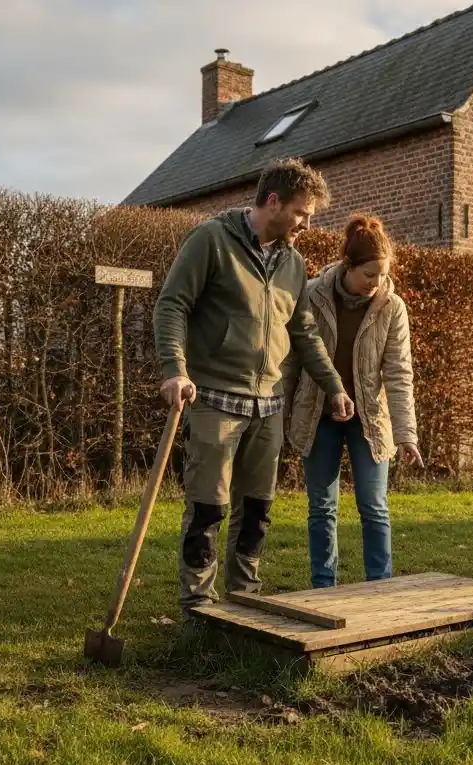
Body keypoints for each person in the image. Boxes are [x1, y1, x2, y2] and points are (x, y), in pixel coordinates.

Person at [153, 157, 354, 618]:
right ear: (272, 201)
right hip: (215, 401)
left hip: (268, 406)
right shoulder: (211, 241)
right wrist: (175, 369)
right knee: (208, 509)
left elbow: (304, 332)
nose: (307, 222)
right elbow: (172, 305)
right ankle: (199, 609)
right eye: (302, 212)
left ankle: (245, 600)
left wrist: (334, 386)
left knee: (257, 510)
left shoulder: (293, 263)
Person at [284, 213, 421, 588]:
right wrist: (280, 418)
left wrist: (406, 434)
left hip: (369, 420)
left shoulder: (392, 308)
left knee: (374, 507)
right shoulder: (311, 294)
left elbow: (398, 373)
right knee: (321, 508)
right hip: (318, 415)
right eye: (368, 275)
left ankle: (380, 587)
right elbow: (293, 359)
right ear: (348, 265)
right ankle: (323, 586)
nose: (375, 284)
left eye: (382, 275)